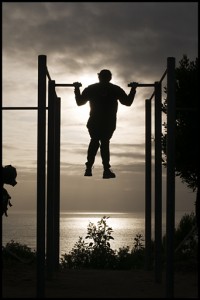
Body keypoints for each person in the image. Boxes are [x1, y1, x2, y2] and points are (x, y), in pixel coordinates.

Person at [74, 69, 137, 179]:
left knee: (94, 141)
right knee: (104, 143)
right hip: (108, 122)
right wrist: (133, 89)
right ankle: (106, 170)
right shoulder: (114, 89)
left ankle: (89, 168)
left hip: (95, 122)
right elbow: (127, 102)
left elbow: (80, 102)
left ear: (99, 77)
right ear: (110, 78)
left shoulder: (92, 88)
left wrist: (77, 89)